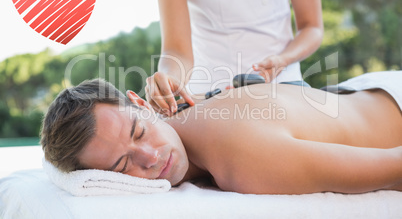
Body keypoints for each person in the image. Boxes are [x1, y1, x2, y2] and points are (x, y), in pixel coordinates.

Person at [41, 71, 402, 195]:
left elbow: (392, 168)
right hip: (362, 93)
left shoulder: (242, 157)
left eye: (139, 131)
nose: (151, 158)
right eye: (122, 167)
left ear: (141, 104)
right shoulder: (191, 118)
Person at [147, 0, 325, 116]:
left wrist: (283, 60)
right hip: (214, 97)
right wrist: (168, 78)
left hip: (286, 88)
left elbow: (312, 28)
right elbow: (177, 50)